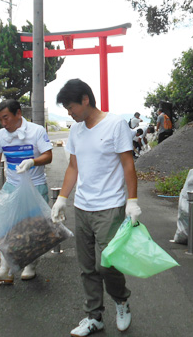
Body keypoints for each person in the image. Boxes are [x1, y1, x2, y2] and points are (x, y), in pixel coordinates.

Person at [51, 79, 142, 336]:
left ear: (85, 100)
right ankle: (94, 317)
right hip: (83, 207)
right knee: (87, 267)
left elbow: (128, 165)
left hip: (110, 206)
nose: (70, 113)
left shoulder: (114, 125)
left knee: (107, 264)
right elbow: (73, 167)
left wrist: (132, 201)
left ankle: (121, 300)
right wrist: (62, 199)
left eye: (71, 107)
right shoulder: (76, 130)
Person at [0, 99, 53, 282]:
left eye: (6, 118)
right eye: (0, 119)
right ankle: (5, 269)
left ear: (18, 113)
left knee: (31, 228)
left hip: (34, 185)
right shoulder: (0, 136)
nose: (4, 123)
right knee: (5, 227)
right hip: (12, 186)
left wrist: (32, 161)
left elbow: (48, 156)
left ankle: (30, 265)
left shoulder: (36, 131)